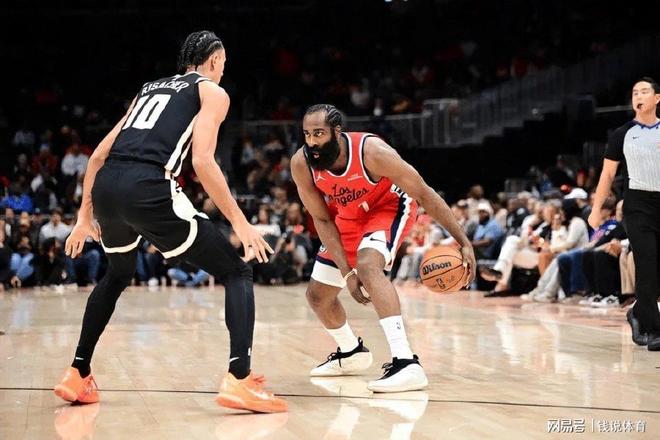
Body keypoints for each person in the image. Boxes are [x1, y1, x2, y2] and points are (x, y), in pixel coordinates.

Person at [54, 30, 287, 412]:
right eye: (223, 64)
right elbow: (202, 161)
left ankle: (77, 372)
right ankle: (240, 378)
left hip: (108, 187)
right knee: (236, 271)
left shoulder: (148, 89)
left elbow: (97, 156)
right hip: (149, 186)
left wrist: (84, 217)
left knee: (117, 274)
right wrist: (241, 224)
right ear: (214, 60)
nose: (223, 71)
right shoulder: (212, 91)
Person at [291, 104, 475, 392]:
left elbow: (424, 193)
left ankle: (406, 362)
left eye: (319, 133)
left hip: (388, 207)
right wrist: (346, 273)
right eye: (307, 134)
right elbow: (322, 219)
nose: (312, 142)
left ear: (337, 132)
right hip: (348, 216)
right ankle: (351, 352)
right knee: (318, 296)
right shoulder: (302, 164)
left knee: (368, 266)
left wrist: (463, 241)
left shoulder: (372, 153)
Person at [589, 77, 660, 351]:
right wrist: (596, 209)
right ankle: (653, 329)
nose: (638, 96)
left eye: (644, 91)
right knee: (647, 265)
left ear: (657, 98)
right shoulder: (622, 134)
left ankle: (637, 312)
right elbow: (607, 175)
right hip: (638, 205)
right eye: (634, 93)